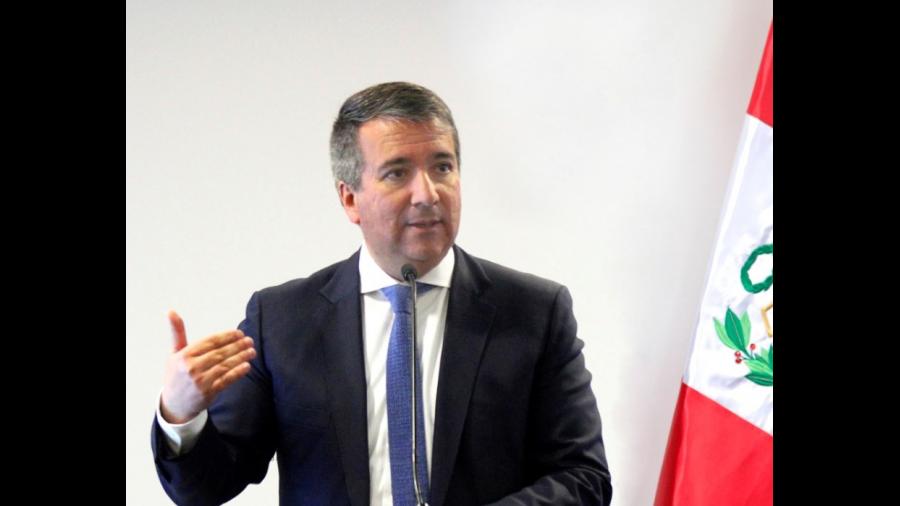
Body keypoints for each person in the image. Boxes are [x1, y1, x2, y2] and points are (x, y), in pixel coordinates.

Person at [151, 81, 612, 505]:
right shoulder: (283, 320)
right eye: (397, 173)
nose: (427, 193)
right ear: (350, 199)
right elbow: (207, 486)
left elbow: (583, 477)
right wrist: (181, 415)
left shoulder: (534, 312)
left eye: (442, 167)